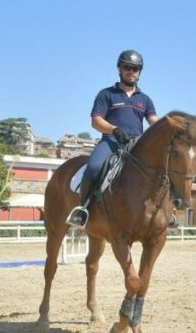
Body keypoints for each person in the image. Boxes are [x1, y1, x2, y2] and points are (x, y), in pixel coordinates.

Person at [66, 49, 160, 228]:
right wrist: (114, 129)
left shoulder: (145, 99)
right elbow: (96, 120)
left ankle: (164, 210)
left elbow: (153, 121)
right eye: (127, 67)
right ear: (119, 69)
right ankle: (82, 208)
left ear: (139, 72)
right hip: (112, 141)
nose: (130, 71)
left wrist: (167, 130)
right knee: (93, 167)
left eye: (135, 68)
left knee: (160, 170)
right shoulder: (107, 94)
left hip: (136, 144)